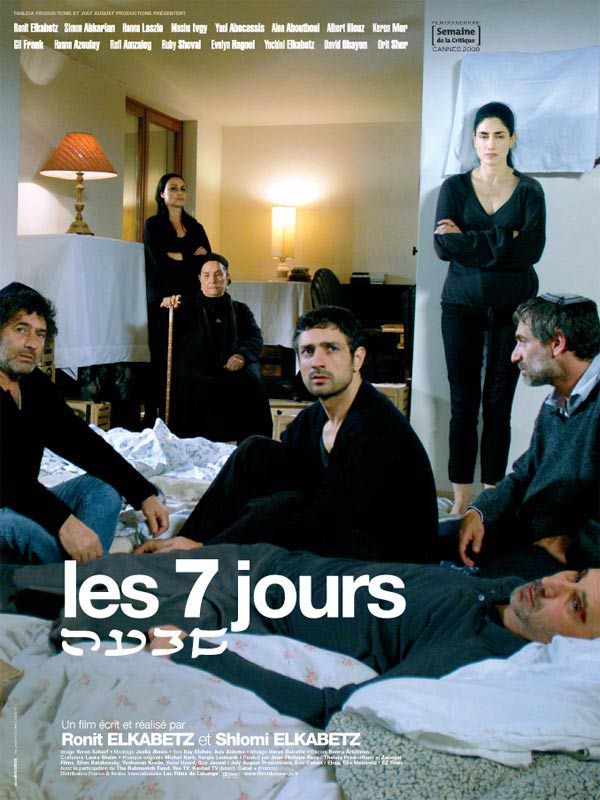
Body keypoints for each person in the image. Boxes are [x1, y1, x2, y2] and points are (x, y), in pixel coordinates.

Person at [8, 543, 600, 729]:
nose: (550, 586)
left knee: (87, 608)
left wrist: (195, 649)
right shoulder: (509, 591)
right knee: (84, 576)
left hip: (244, 609)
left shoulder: (472, 658)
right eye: (573, 576)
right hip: (270, 563)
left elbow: (335, 710)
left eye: (574, 604)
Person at [136, 305, 439, 563]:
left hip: (387, 552)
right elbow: (272, 473)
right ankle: (186, 540)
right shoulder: (314, 418)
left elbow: (322, 515)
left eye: (331, 349)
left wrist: (216, 546)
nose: (317, 361)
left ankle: (202, 551)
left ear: (357, 358)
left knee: (282, 507)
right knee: (255, 450)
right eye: (308, 351)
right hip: (340, 526)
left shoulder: (375, 427)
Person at [0, 282, 169, 565]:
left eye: (40, 334)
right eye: (20, 330)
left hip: (23, 500)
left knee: (103, 488)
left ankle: (69, 576)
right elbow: (6, 478)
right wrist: (64, 523)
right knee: (24, 531)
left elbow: (82, 443)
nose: (32, 343)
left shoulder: (34, 385)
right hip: (8, 509)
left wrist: (143, 493)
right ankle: (81, 576)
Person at [434, 101, 546, 515]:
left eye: (499, 135)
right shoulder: (454, 189)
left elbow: (531, 250)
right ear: (473, 140)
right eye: (483, 135)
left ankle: (493, 499)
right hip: (460, 306)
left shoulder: (530, 190)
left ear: (512, 139)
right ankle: (461, 500)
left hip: (513, 312)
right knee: (463, 404)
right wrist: (505, 239)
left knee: (499, 403)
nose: (490, 143)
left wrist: (469, 239)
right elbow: (442, 246)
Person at [458, 293, 600, 579]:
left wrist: (573, 547)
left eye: (523, 341)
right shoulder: (558, 401)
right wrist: (478, 511)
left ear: (557, 343)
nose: (514, 355)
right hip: (527, 541)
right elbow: (525, 474)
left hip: (562, 566)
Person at [160, 253, 273, 442]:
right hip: (195, 369)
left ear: (227, 278)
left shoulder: (241, 310)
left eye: (218, 274)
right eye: (206, 275)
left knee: (251, 380)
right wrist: (166, 309)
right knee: (186, 380)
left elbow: (254, 338)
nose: (212, 280)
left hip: (231, 365)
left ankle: (250, 447)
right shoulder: (183, 307)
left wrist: (241, 356)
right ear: (200, 279)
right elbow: (165, 338)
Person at [143, 172, 211, 423]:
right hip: (162, 300)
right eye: (173, 188)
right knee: (162, 360)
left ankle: (182, 419)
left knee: (187, 359)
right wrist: (190, 257)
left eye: (183, 188)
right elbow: (160, 262)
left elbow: (206, 261)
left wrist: (179, 257)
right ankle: (155, 417)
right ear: (162, 194)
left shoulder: (195, 226)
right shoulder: (153, 225)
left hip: (191, 298)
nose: (179, 193)